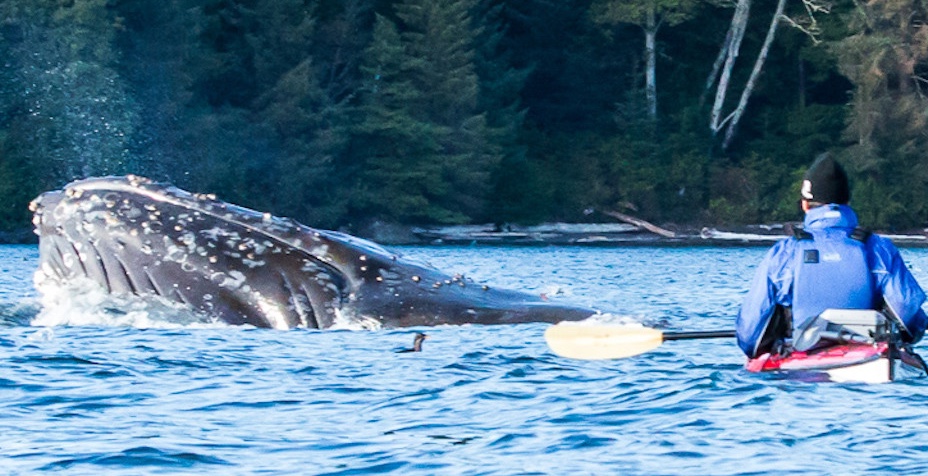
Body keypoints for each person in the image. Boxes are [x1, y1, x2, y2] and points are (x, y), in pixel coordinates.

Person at [736, 153, 928, 358]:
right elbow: (908, 318)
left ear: (805, 204)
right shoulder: (879, 248)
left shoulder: (784, 253)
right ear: (847, 201)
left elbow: (750, 336)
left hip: (800, 364)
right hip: (871, 361)